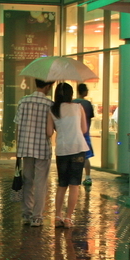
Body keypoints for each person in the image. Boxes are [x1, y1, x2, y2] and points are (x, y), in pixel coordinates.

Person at [46, 83, 88, 228]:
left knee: (62, 184)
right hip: (78, 148)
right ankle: (69, 218)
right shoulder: (78, 107)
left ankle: (58, 217)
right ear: (71, 94)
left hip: (62, 150)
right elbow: (83, 129)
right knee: (74, 185)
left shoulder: (53, 109)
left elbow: (49, 132)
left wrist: (60, 128)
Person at [14, 78, 55, 226]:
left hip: (25, 147)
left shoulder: (23, 101)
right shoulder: (50, 104)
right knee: (40, 183)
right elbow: (51, 130)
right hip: (42, 148)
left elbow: (17, 126)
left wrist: (18, 147)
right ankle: (37, 217)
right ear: (49, 86)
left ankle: (26, 214)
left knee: (27, 180)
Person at [75, 83, 95, 186]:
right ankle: (87, 177)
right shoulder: (87, 104)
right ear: (84, 91)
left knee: (74, 156)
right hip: (85, 133)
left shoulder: (72, 103)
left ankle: (74, 177)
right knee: (86, 157)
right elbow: (90, 120)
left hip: (74, 134)